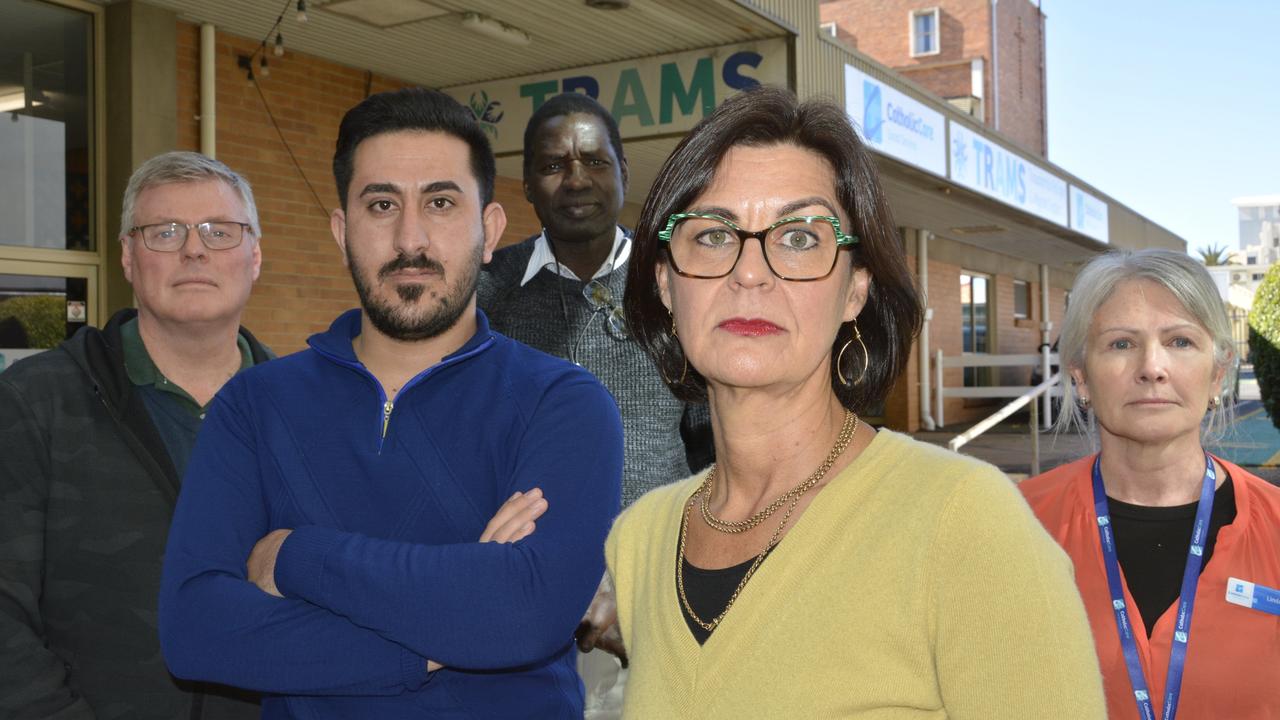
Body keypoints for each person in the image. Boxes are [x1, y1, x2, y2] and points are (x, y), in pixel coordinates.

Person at [604, 86, 1106, 718]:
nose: (749, 272)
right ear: (666, 283)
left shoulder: (965, 523)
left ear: (854, 292)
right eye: (712, 235)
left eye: (798, 238)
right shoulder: (640, 540)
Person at [158, 87, 623, 719]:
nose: (410, 239)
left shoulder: (562, 404)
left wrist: (295, 555)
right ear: (342, 230)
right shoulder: (255, 405)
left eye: (439, 202)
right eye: (382, 204)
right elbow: (197, 632)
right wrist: (441, 636)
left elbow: (522, 619)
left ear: (488, 231)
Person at [0, 151, 271, 719]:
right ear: (127, 256)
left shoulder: (308, 414)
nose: (193, 249)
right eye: (164, 231)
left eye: (220, 231)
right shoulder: (34, 402)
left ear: (255, 257)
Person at [1021, 248, 1280, 720]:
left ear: (1218, 373)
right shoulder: (1012, 524)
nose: (1152, 367)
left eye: (1180, 341)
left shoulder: (1276, 527)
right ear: (1080, 376)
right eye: (1121, 344)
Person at [478, 92, 712, 506]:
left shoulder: (680, 282)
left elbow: (711, 443)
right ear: (528, 185)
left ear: (623, 171)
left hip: (659, 557)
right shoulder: (488, 290)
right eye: (553, 166)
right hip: (529, 559)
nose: (577, 180)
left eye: (595, 162)